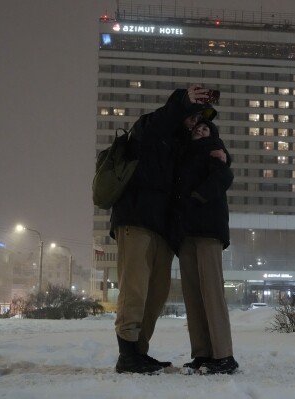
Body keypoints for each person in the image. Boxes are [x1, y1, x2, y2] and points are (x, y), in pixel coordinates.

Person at [109, 86, 218, 374]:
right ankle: (127, 355)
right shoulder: (151, 127)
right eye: (192, 116)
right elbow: (164, 120)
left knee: (156, 293)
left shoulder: (182, 146)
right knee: (134, 288)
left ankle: (139, 352)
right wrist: (183, 103)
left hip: (163, 229)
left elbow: (205, 161)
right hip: (136, 218)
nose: (195, 122)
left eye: (200, 119)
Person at [171, 119, 238, 375]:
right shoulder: (184, 155)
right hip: (186, 233)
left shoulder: (214, 148)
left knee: (211, 292)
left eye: (205, 128)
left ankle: (223, 355)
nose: (200, 131)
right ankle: (202, 353)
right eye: (197, 129)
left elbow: (224, 175)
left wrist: (197, 197)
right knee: (193, 295)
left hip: (208, 229)